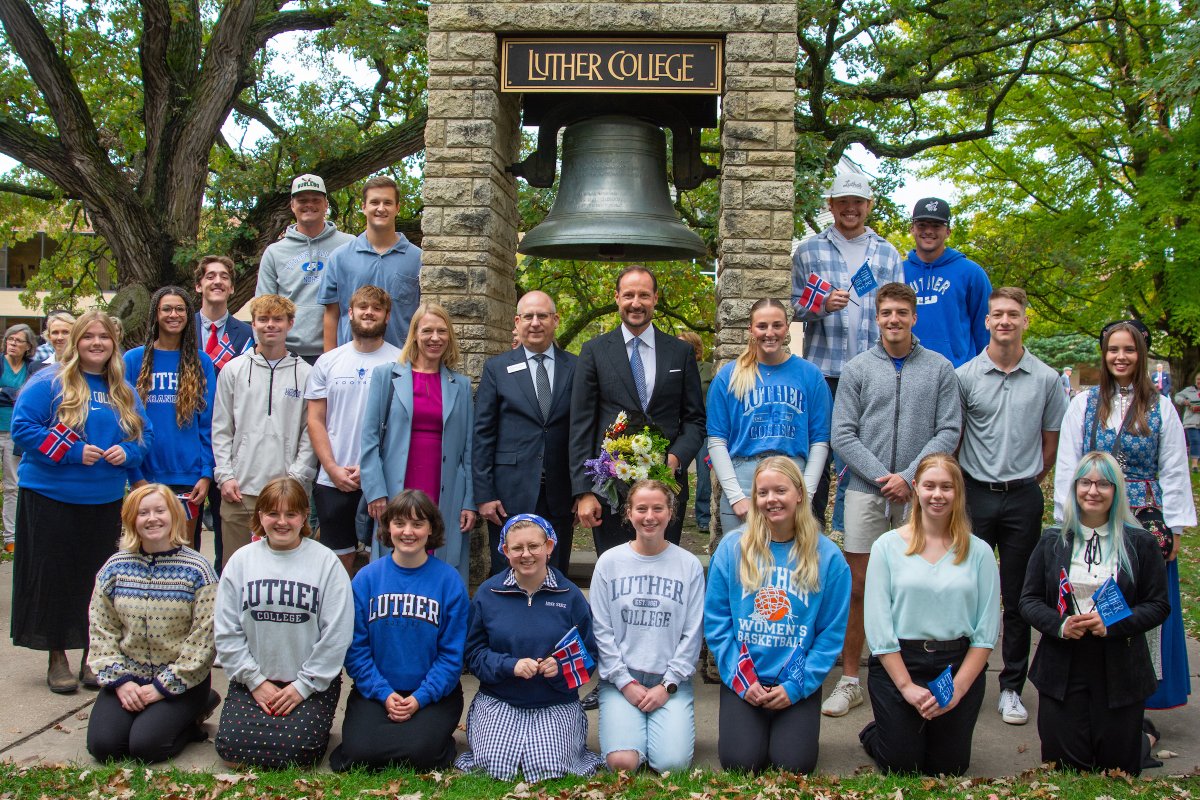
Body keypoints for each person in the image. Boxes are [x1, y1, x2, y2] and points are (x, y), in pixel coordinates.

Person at [826, 282, 961, 717]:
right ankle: (850, 680)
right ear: (877, 317)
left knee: (916, 585)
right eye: (886, 313)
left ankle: (913, 675)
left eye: (902, 312)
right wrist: (882, 477)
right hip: (866, 493)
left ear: (914, 316)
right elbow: (842, 432)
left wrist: (908, 478)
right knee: (859, 587)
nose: (894, 320)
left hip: (921, 498)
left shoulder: (940, 369)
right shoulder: (858, 368)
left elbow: (948, 430)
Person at [1054, 320, 1195, 713]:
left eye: (1129, 350)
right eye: (1114, 349)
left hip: (1143, 516)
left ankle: (1145, 690)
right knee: (1095, 590)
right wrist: (1065, 519)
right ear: (1104, 354)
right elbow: (1068, 464)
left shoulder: (1160, 406)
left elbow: (1174, 468)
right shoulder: (1082, 403)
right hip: (1094, 510)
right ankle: (1095, 683)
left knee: (1141, 599)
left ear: (1142, 354)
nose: (1120, 357)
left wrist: (1176, 525)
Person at [11, 311, 151, 693]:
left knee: (98, 582)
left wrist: (128, 452)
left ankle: (94, 656)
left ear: (113, 343)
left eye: (103, 337)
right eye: (87, 336)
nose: (96, 343)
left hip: (103, 501)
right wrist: (72, 451)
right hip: (50, 497)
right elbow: (23, 429)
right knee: (54, 578)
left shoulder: (123, 388)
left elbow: (145, 436)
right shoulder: (49, 381)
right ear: (75, 341)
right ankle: (57, 656)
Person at [956, 287, 1069, 726]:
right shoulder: (966, 376)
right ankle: (965, 680)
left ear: (1025, 320)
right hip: (975, 495)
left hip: (1022, 496)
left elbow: (1050, 443)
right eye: (997, 314)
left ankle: (1011, 688)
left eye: (1013, 314)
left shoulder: (1045, 379)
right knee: (968, 589)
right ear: (986, 321)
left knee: (1018, 596)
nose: (1004, 321)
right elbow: (958, 435)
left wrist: (1027, 479)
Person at [1021, 451, 1170, 775]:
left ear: (1116, 491)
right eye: (1085, 482)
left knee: (1117, 766)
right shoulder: (1052, 541)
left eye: (1103, 484)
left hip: (1120, 665)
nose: (1093, 491)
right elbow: (1029, 600)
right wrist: (1060, 625)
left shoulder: (1141, 543)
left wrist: (1114, 623)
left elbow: (1158, 605)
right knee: (1067, 767)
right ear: (1074, 488)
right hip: (1063, 664)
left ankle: (1143, 737)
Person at [703, 456, 851, 773]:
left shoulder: (829, 558)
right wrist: (741, 679)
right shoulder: (731, 549)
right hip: (745, 677)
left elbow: (830, 635)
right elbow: (717, 624)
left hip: (795, 680)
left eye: (780, 490)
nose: (772, 500)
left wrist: (798, 686)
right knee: (740, 762)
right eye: (763, 492)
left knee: (793, 764)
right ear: (754, 499)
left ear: (799, 493)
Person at [859, 453, 1000, 775]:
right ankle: (880, 729)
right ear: (916, 489)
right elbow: (879, 626)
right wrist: (907, 686)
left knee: (948, 768)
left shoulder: (978, 551)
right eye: (930, 486)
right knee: (902, 766)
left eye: (946, 487)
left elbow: (986, 632)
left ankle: (920, 730)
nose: (938, 495)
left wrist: (958, 690)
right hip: (900, 663)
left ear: (958, 493)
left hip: (956, 665)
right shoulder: (887, 546)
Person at [791, 173, 904, 534]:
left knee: (863, 455)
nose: (850, 209)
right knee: (817, 452)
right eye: (843, 202)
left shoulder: (886, 252)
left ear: (868, 206)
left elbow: (901, 307)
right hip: (823, 370)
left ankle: (849, 533)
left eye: (857, 202)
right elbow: (792, 306)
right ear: (831, 206)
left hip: (874, 370)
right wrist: (821, 305)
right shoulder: (809, 250)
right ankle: (812, 532)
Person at [214, 477, 353, 768]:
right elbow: (226, 631)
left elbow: (337, 635)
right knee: (232, 750)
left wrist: (304, 686)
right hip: (254, 680)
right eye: (273, 513)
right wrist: (254, 680)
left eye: (291, 514)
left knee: (297, 754)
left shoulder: (326, 563)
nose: (282, 522)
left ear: (304, 516)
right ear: (260, 516)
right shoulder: (241, 562)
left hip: (310, 683)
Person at [569, 265, 705, 554]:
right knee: (616, 574)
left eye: (644, 295)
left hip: (666, 491)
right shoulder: (594, 351)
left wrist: (675, 458)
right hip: (610, 492)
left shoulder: (679, 352)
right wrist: (583, 492)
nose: (636, 303)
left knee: (663, 572)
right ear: (617, 297)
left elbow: (694, 419)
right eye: (628, 295)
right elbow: (581, 424)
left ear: (655, 298)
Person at [456, 514, 603, 780]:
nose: (526, 554)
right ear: (505, 551)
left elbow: (589, 656)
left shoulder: (570, 596)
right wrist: (509, 666)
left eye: (534, 546)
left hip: (554, 702)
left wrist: (560, 667)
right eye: (517, 548)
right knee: (495, 767)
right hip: (501, 700)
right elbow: (474, 654)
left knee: (548, 767)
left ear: (549, 546)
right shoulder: (489, 594)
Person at [330, 489, 468, 771]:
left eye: (418, 524)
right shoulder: (366, 579)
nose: (408, 532)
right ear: (388, 527)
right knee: (358, 754)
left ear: (431, 529)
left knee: (421, 755)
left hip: (432, 693)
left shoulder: (449, 581)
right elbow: (355, 649)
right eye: (400, 523)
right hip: (377, 690)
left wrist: (420, 698)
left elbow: (452, 656)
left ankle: (432, 738)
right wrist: (382, 692)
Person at [85, 484, 218, 762]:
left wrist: (161, 688)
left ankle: (196, 713)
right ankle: (145, 715)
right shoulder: (115, 567)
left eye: (160, 510)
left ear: (174, 515)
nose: (152, 518)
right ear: (132, 519)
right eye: (143, 512)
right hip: (128, 676)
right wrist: (121, 682)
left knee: (146, 747)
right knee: (104, 747)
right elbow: (101, 631)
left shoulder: (198, 570)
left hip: (183, 680)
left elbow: (204, 640)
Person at [591, 480, 705, 773]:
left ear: (671, 513)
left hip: (669, 681)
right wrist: (624, 683)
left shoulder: (688, 565)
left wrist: (668, 685)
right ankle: (630, 729)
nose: (649, 516)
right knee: (622, 762)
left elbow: (692, 634)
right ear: (628, 513)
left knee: (672, 764)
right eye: (641, 508)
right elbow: (601, 631)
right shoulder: (609, 562)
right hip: (622, 680)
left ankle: (659, 726)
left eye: (658, 508)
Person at [361, 302, 476, 583]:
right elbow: (369, 439)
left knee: (441, 557)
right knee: (395, 556)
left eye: (441, 331)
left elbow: (469, 449)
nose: (434, 338)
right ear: (414, 334)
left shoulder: (459, 385)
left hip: (445, 486)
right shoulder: (386, 377)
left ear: (449, 336)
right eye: (427, 331)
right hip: (395, 485)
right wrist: (375, 491)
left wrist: (470, 501)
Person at [706, 298, 831, 534]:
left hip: (794, 478)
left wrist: (807, 493)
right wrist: (735, 497)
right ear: (751, 330)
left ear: (787, 327)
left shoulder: (810, 375)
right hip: (743, 481)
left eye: (777, 325)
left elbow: (820, 440)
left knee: (793, 564)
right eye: (762, 326)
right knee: (741, 564)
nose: (770, 333)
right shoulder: (729, 377)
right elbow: (716, 441)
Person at [474, 290, 577, 575]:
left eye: (542, 316)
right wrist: (483, 494)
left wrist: (582, 491)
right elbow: (483, 433)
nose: (535, 322)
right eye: (528, 316)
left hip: (561, 494)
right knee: (508, 573)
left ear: (555, 320)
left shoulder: (577, 368)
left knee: (554, 574)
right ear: (517, 322)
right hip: (508, 496)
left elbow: (583, 432)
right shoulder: (497, 369)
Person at [212, 294, 316, 566]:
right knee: (234, 567)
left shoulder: (305, 374)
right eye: (263, 319)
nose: (271, 325)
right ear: (254, 324)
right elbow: (221, 428)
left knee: (284, 567)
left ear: (290, 324)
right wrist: (225, 475)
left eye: (278, 319)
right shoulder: (233, 371)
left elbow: (310, 431)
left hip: (286, 489)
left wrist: (296, 478)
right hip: (239, 488)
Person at [306, 285, 401, 571]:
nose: (368, 313)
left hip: (383, 477)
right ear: (350, 313)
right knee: (338, 559)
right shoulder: (328, 361)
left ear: (387, 316)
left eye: (376, 308)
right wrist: (332, 467)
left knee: (383, 557)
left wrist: (371, 468)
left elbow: (400, 424)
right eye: (362, 307)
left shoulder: (401, 362)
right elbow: (315, 420)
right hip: (333, 478)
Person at [125, 287, 216, 549]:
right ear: (155, 313)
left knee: (184, 555)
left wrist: (206, 473)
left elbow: (208, 423)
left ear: (189, 315)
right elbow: (124, 423)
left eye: (180, 309)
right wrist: (135, 475)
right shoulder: (133, 360)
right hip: (145, 474)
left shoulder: (201, 362)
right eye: (167, 309)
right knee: (145, 554)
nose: (173, 314)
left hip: (188, 477)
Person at [194, 255, 255, 570]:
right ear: (199, 284)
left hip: (229, 439)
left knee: (226, 528)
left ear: (232, 287)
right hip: (189, 436)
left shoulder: (246, 334)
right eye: (210, 276)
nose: (216, 281)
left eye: (223, 277)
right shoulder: (181, 327)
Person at [257, 174, 355, 364]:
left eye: (315, 200)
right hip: (287, 353)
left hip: (340, 350)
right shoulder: (275, 252)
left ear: (326, 204)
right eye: (302, 200)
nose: (309, 205)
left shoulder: (350, 244)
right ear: (292, 205)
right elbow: (263, 307)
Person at [320, 175, 422, 351]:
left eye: (388, 203)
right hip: (350, 364)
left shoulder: (418, 259)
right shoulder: (339, 258)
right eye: (375, 202)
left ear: (397, 208)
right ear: (364, 207)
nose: (381, 208)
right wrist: (328, 362)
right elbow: (331, 314)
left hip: (401, 363)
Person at [903, 197, 991, 368]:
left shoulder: (971, 273)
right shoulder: (898, 272)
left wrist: (983, 372)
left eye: (936, 226)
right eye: (922, 225)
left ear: (948, 231)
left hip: (958, 372)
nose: (929, 231)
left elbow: (985, 329)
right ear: (912, 229)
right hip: (907, 372)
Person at [0, 323, 44, 552]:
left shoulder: (32, 369)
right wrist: (14, 395)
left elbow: (27, 398)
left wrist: (6, 394)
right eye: (10, 339)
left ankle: (11, 538)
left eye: (18, 341)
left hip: (16, 435)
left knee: (12, 486)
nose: (13, 344)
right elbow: (20, 396)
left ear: (28, 346)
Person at [677, 331, 713, 532]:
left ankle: (704, 517)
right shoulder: (672, 368)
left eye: (684, 344)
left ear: (695, 347)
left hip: (704, 429)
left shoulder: (708, 370)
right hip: (679, 430)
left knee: (704, 474)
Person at [1173, 371, 1200, 472]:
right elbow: (1177, 397)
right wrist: (1185, 402)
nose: (1199, 382)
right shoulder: (1189, 390)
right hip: (1191, 421)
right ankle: (1194, 465)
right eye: (1198, 380)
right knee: (1195, 441)